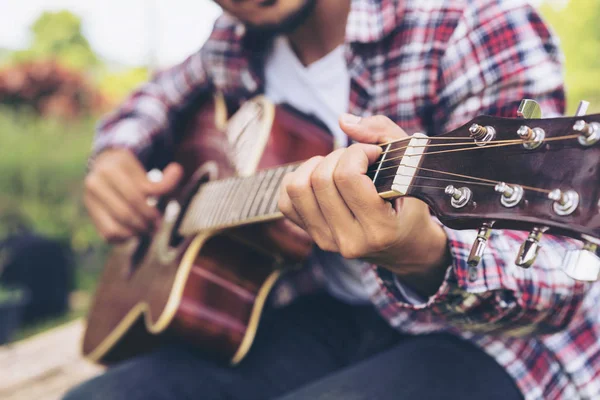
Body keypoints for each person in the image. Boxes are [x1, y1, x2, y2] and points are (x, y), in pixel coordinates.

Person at [67, 0, 600, 399]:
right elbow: (153, 98)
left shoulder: (473, 21)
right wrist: (114, 154)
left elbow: (559, 285)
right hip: (320, 310)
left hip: (487, 337)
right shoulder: (235, 38)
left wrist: (422, 253)